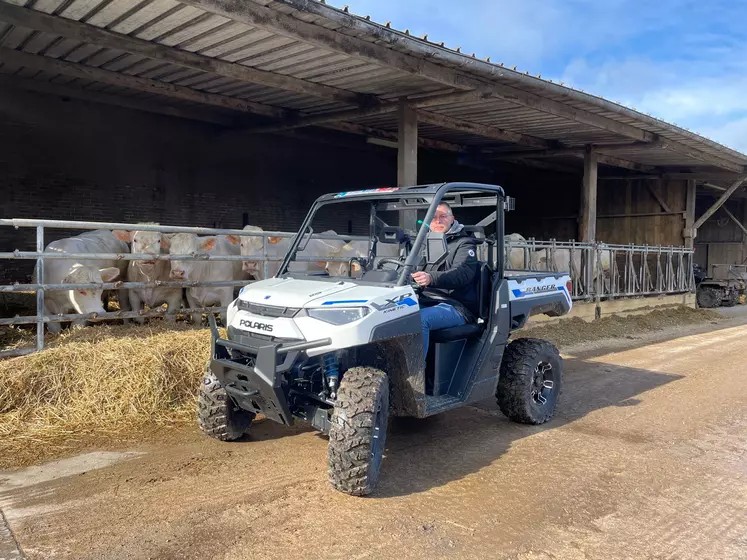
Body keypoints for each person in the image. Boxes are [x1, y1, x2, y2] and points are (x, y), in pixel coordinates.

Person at [411, 202, 480, 360]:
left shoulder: (464, 243)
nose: (438, 220)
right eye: (434, 217)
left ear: (452, 219)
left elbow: (463, 273)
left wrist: (430, 278)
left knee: (419, 320)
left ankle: (415, 377)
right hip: (424, 299)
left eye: (443, 216)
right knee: (392, 315)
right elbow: (409, 267)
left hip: (455, 305)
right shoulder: (423, 243)